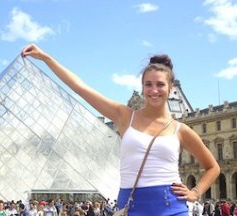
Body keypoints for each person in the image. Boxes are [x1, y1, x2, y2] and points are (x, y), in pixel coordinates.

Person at [21, 44, 220, 215]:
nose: (153, 90)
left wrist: (196, 192)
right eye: (148, 84)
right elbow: (81, 88)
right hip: (131, 205)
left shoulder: (181, 129)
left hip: (172, 206)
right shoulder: (124, 116)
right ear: (142, 88)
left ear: (170, 88)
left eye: (160, 84)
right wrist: (47, 58)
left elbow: (213, 167)